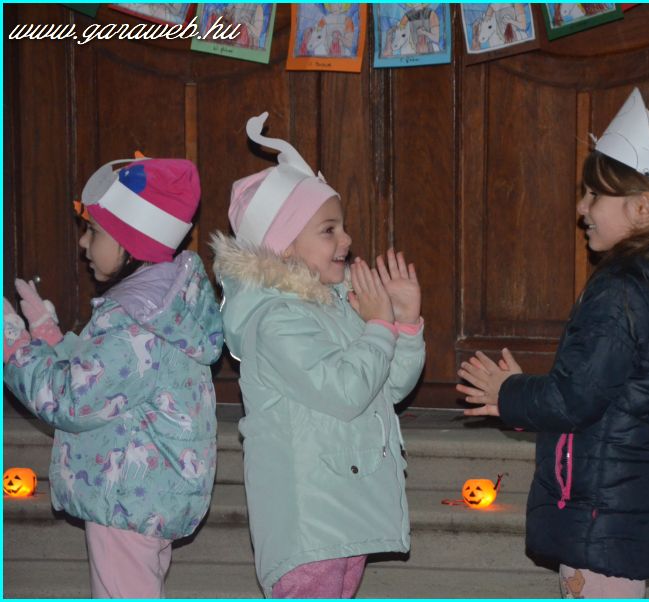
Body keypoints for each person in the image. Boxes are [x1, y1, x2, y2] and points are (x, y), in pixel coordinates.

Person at [456, 88, 649, 598]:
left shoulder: (622, 289)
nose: (581, 208)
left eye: (593, 196)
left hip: (599, 516)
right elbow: (603, 392)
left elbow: (574, 398)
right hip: (619, 513)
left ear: (643, 208)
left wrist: (509, 392)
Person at [211, 112, 425, 598]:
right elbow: (346, 392)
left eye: (342, 227)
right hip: (309, 518)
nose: (346, 240)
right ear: (283, 246)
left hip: (344, 506)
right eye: (329, 230)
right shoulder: (275, 321)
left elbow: (387, 387)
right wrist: (378, 326)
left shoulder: (336, 304)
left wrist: (404, 326)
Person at [3, 156, 223, 597]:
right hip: (145, 498)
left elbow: (69, 399)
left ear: (131, 243)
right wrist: (49, 338)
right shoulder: (158, 309)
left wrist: (14, 349)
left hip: (126, 501)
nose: (84, 243)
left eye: (95, 232)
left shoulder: (137, 325)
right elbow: (104, 375)